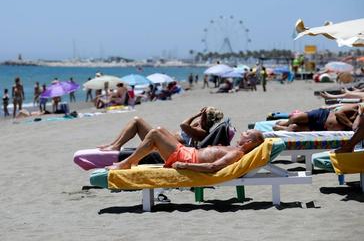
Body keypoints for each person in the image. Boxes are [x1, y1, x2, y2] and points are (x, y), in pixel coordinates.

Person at [106, 128, 264, 171]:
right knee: (158, 130)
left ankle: (127, 163)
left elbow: (213, 167)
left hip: (186, 158)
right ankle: (132, 160)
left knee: (155, 134)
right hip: (187, 152)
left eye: (246, 133)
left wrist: (185, 166)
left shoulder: (237, 153)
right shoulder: (234, 149)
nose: (243, 133)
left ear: (249, 141)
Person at [97, 106, 224, 151]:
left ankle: (116, 146)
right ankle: (114, 144)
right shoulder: (199, 126)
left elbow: (183, 125)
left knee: (137, 121)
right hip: (164, 143)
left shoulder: (202, 132)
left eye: (202, 115)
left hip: (165, 148)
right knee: (136, 120)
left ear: (205, 117)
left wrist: (197, 114)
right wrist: (200, 117)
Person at [273, 104, 360, 132]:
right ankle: (286, 123)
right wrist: (350, 125)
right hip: (322, 115)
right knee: (296, 118)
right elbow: (338, 113)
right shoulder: (356, 107)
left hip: (322, 127)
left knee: (294, 129)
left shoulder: (361, 119)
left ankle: (283, 128)